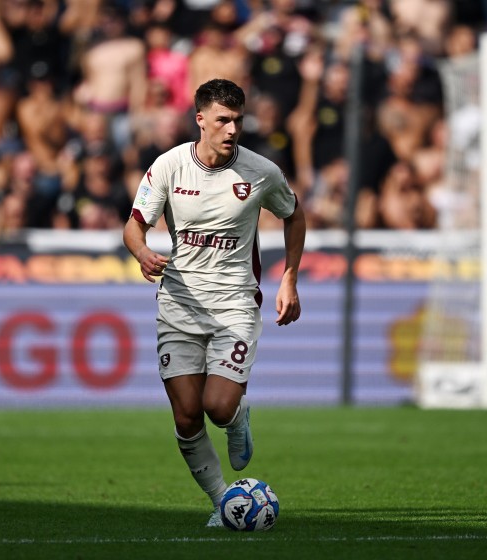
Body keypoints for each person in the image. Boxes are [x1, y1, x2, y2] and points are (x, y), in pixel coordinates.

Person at [122, 78, 306, 528]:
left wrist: (290, 279)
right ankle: (224, 501)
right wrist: (142, 252)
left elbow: (294, 214)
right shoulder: (168, 166)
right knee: (187, 416)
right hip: (179, 306)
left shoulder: (260, 171)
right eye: (223, 120)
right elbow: (134, 225)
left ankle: (239, 415)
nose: (232, 129)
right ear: (200, 120)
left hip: (235, 305)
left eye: (238, 120)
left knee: (218, 407)